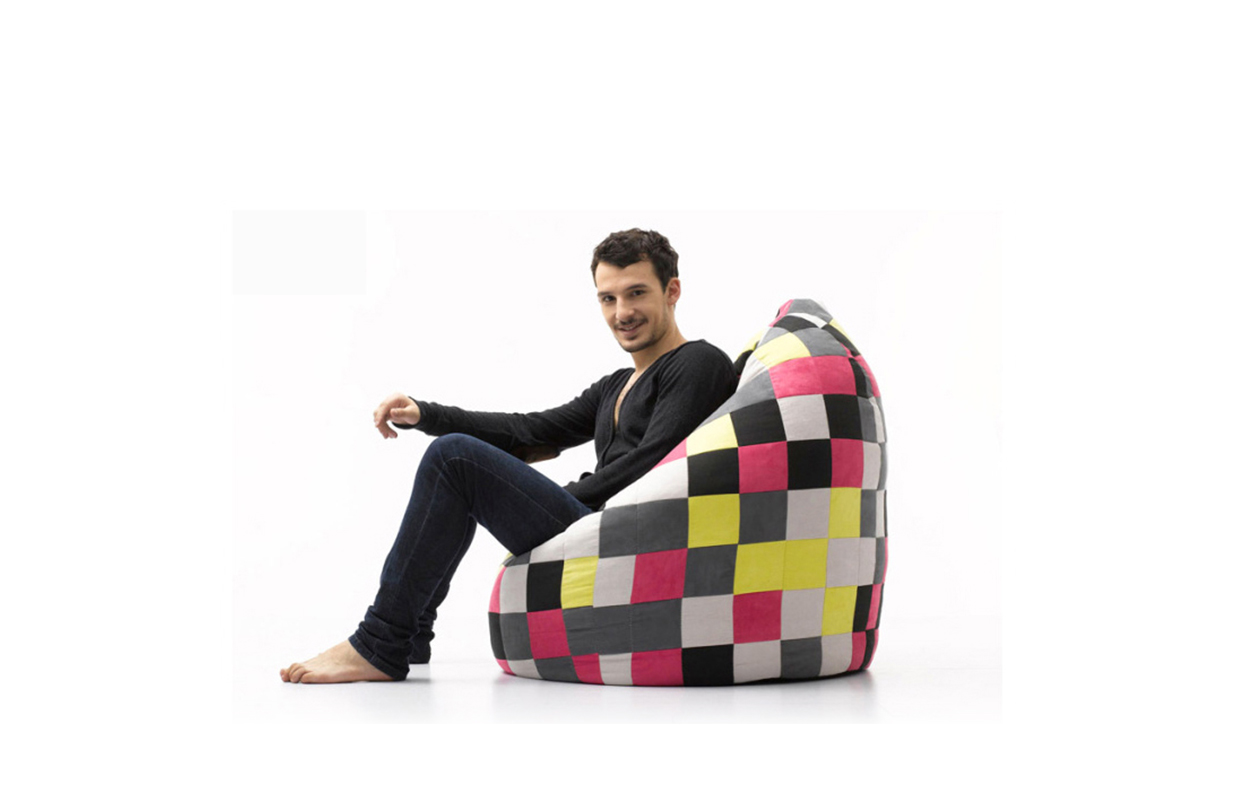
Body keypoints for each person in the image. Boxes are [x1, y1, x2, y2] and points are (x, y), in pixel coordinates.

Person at [280, 228, 738, 683]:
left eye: (636, 293)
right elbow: (528, 432)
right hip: (597, 525)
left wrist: (559, 495)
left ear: (671, 291)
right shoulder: (615, 385)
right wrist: (426, 414)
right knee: (457, 467)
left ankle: (381, 642)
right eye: (608, 298)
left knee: (454, 459)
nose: (622, 312)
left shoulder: (698, 363)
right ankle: (410, 635)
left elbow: (652, 466)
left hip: (624, 534)